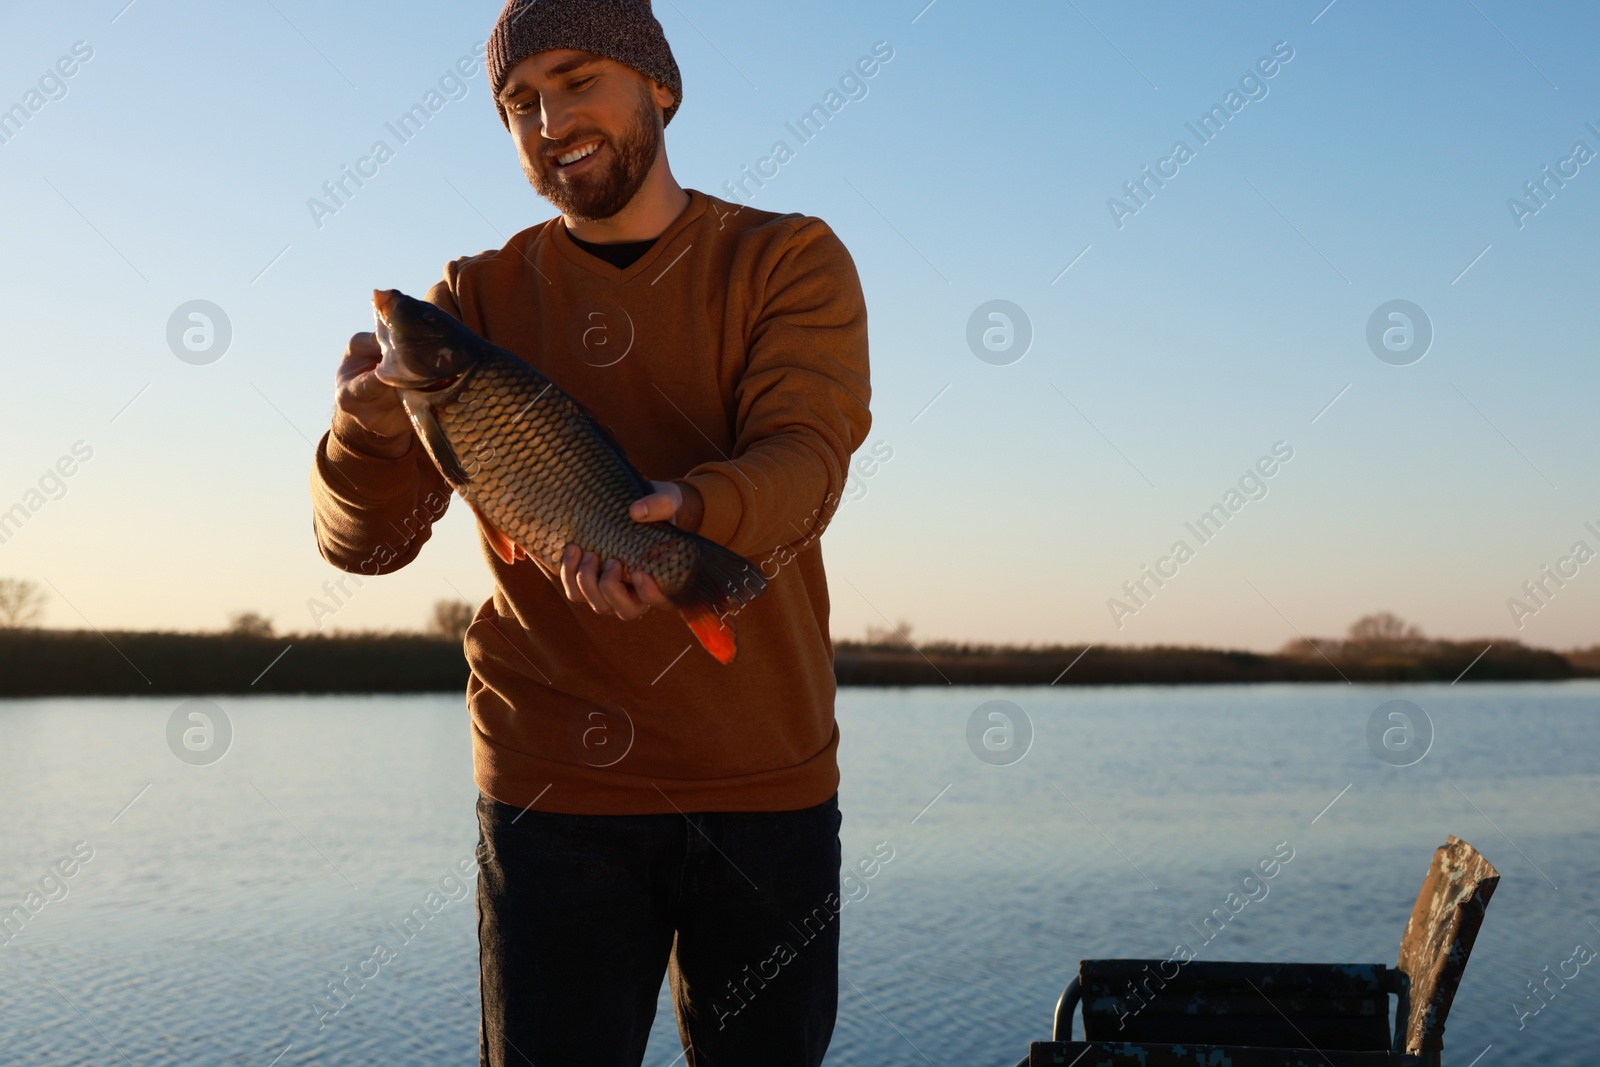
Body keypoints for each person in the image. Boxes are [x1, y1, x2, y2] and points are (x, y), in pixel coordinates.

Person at [307, 1, 872, 1063]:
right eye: (518, 104)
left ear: (658, 84)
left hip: (764, 777)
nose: (549, 118)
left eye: (577, 81)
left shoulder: (787, 258)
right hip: (548, 788)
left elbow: (808, 457)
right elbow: (365, 548)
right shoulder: (471, 300)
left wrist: (684, 514)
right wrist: (364, 434)